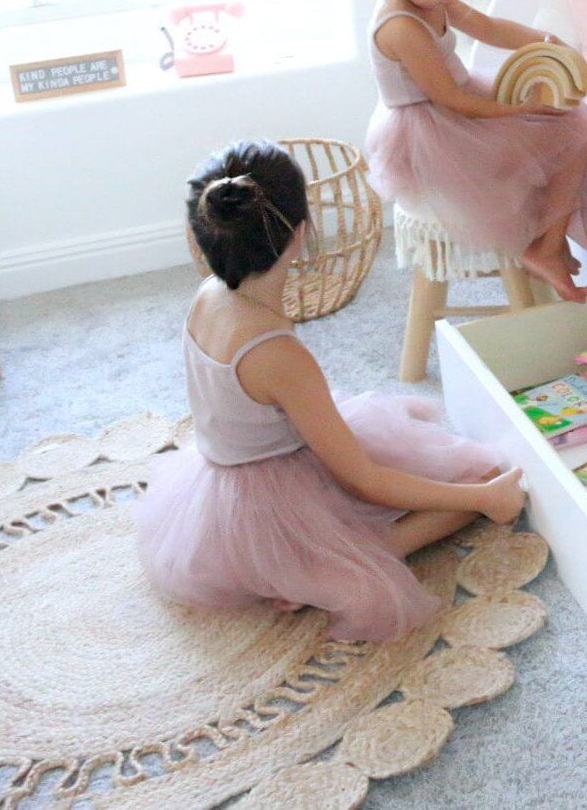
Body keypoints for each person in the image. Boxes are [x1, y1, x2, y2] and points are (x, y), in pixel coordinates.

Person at [134, 140, 524, 641]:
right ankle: (325, 569)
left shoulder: (209, 295)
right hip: (267, 501)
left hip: (224, 473)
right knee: (479, 476)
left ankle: (302, 568)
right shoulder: (275, 351)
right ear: (300, 234)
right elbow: (364, 480)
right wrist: (484, 498)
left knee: (403, 449)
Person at [366, 0, 587, 303]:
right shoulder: (401, 26)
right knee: (563, 136)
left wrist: (547, 40)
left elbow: (484, 25)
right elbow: (451, 100)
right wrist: (520, 110)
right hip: (432, 127)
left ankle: (547, 239)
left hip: (458, 103)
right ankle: (542, 246)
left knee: (568, 122)